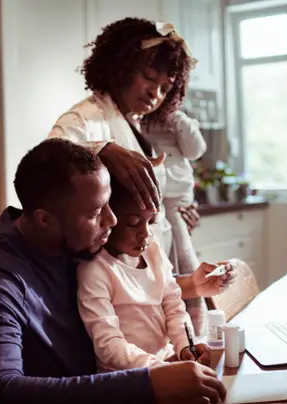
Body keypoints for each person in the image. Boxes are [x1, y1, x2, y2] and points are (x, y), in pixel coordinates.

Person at [0, 139, 227, 404]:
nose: (112, 220)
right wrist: (148, 383)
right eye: (96, 212)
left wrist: (104, 147)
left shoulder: (73, 238)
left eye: (109, 204)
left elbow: (126, 289)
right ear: (44, 220)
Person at [48, 18, 227, 302]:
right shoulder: (87, 117)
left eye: (165, 88)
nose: (154, 93)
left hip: (149, 269)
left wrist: (173, 211)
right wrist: (101, 149)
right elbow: (48, 159)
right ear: (121, 66)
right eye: (148, 76)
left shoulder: (139, 126)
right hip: (109, 280)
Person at [78, 175, 230, 371]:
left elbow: (174, 309)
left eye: (151, 222)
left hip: (165, 362)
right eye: (133, 223)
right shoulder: (95, 270)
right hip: (126, 377)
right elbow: (109, 345)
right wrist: (160, 368)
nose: (146, 233)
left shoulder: (154, 253)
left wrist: (185, 346)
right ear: (108, 217)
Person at [144, 110, 207, 335]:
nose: (156, 93)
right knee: (167, 264)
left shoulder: (178, 120)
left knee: (183, 259)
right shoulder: (133, 121)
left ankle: (196, 331)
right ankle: (189, 333)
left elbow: (196, 149)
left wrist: (178, 121)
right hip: (155, 197)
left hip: (179, 198)